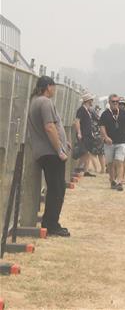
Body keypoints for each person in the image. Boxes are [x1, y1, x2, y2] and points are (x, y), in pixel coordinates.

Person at [26, 76, 70, 237]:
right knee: (57, 189)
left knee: (55, 188)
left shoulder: (36, 101)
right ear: (48, 87)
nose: (55, 90)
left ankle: (50, 222)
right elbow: (50, 127)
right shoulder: (45, 102)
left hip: (46, 151)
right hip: (51, 153)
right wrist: (60, 150)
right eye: (54, 87)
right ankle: (52, 224)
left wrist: (64, 142)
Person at [99, 93, 125, 191]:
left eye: (117, 102)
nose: (115, 103)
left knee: (119, 162)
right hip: (109, 143)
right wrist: (105, 137)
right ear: (109, 102)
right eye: (113, 101)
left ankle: (119, 182)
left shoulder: (124, 113)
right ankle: (112, 180)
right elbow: (102, 127)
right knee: (110, 163)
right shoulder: (105, 114)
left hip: (121, 142)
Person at [73, 93, 100, 177]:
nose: (92, 101)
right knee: (86, 152)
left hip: (88, 134)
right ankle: (83, 169)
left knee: (86, 152)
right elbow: (77, 121)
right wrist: (79, 132)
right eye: (91, 100)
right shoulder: (81, 110)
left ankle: (82, 169)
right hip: (84, 134)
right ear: (88, 101)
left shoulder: (87, 110)